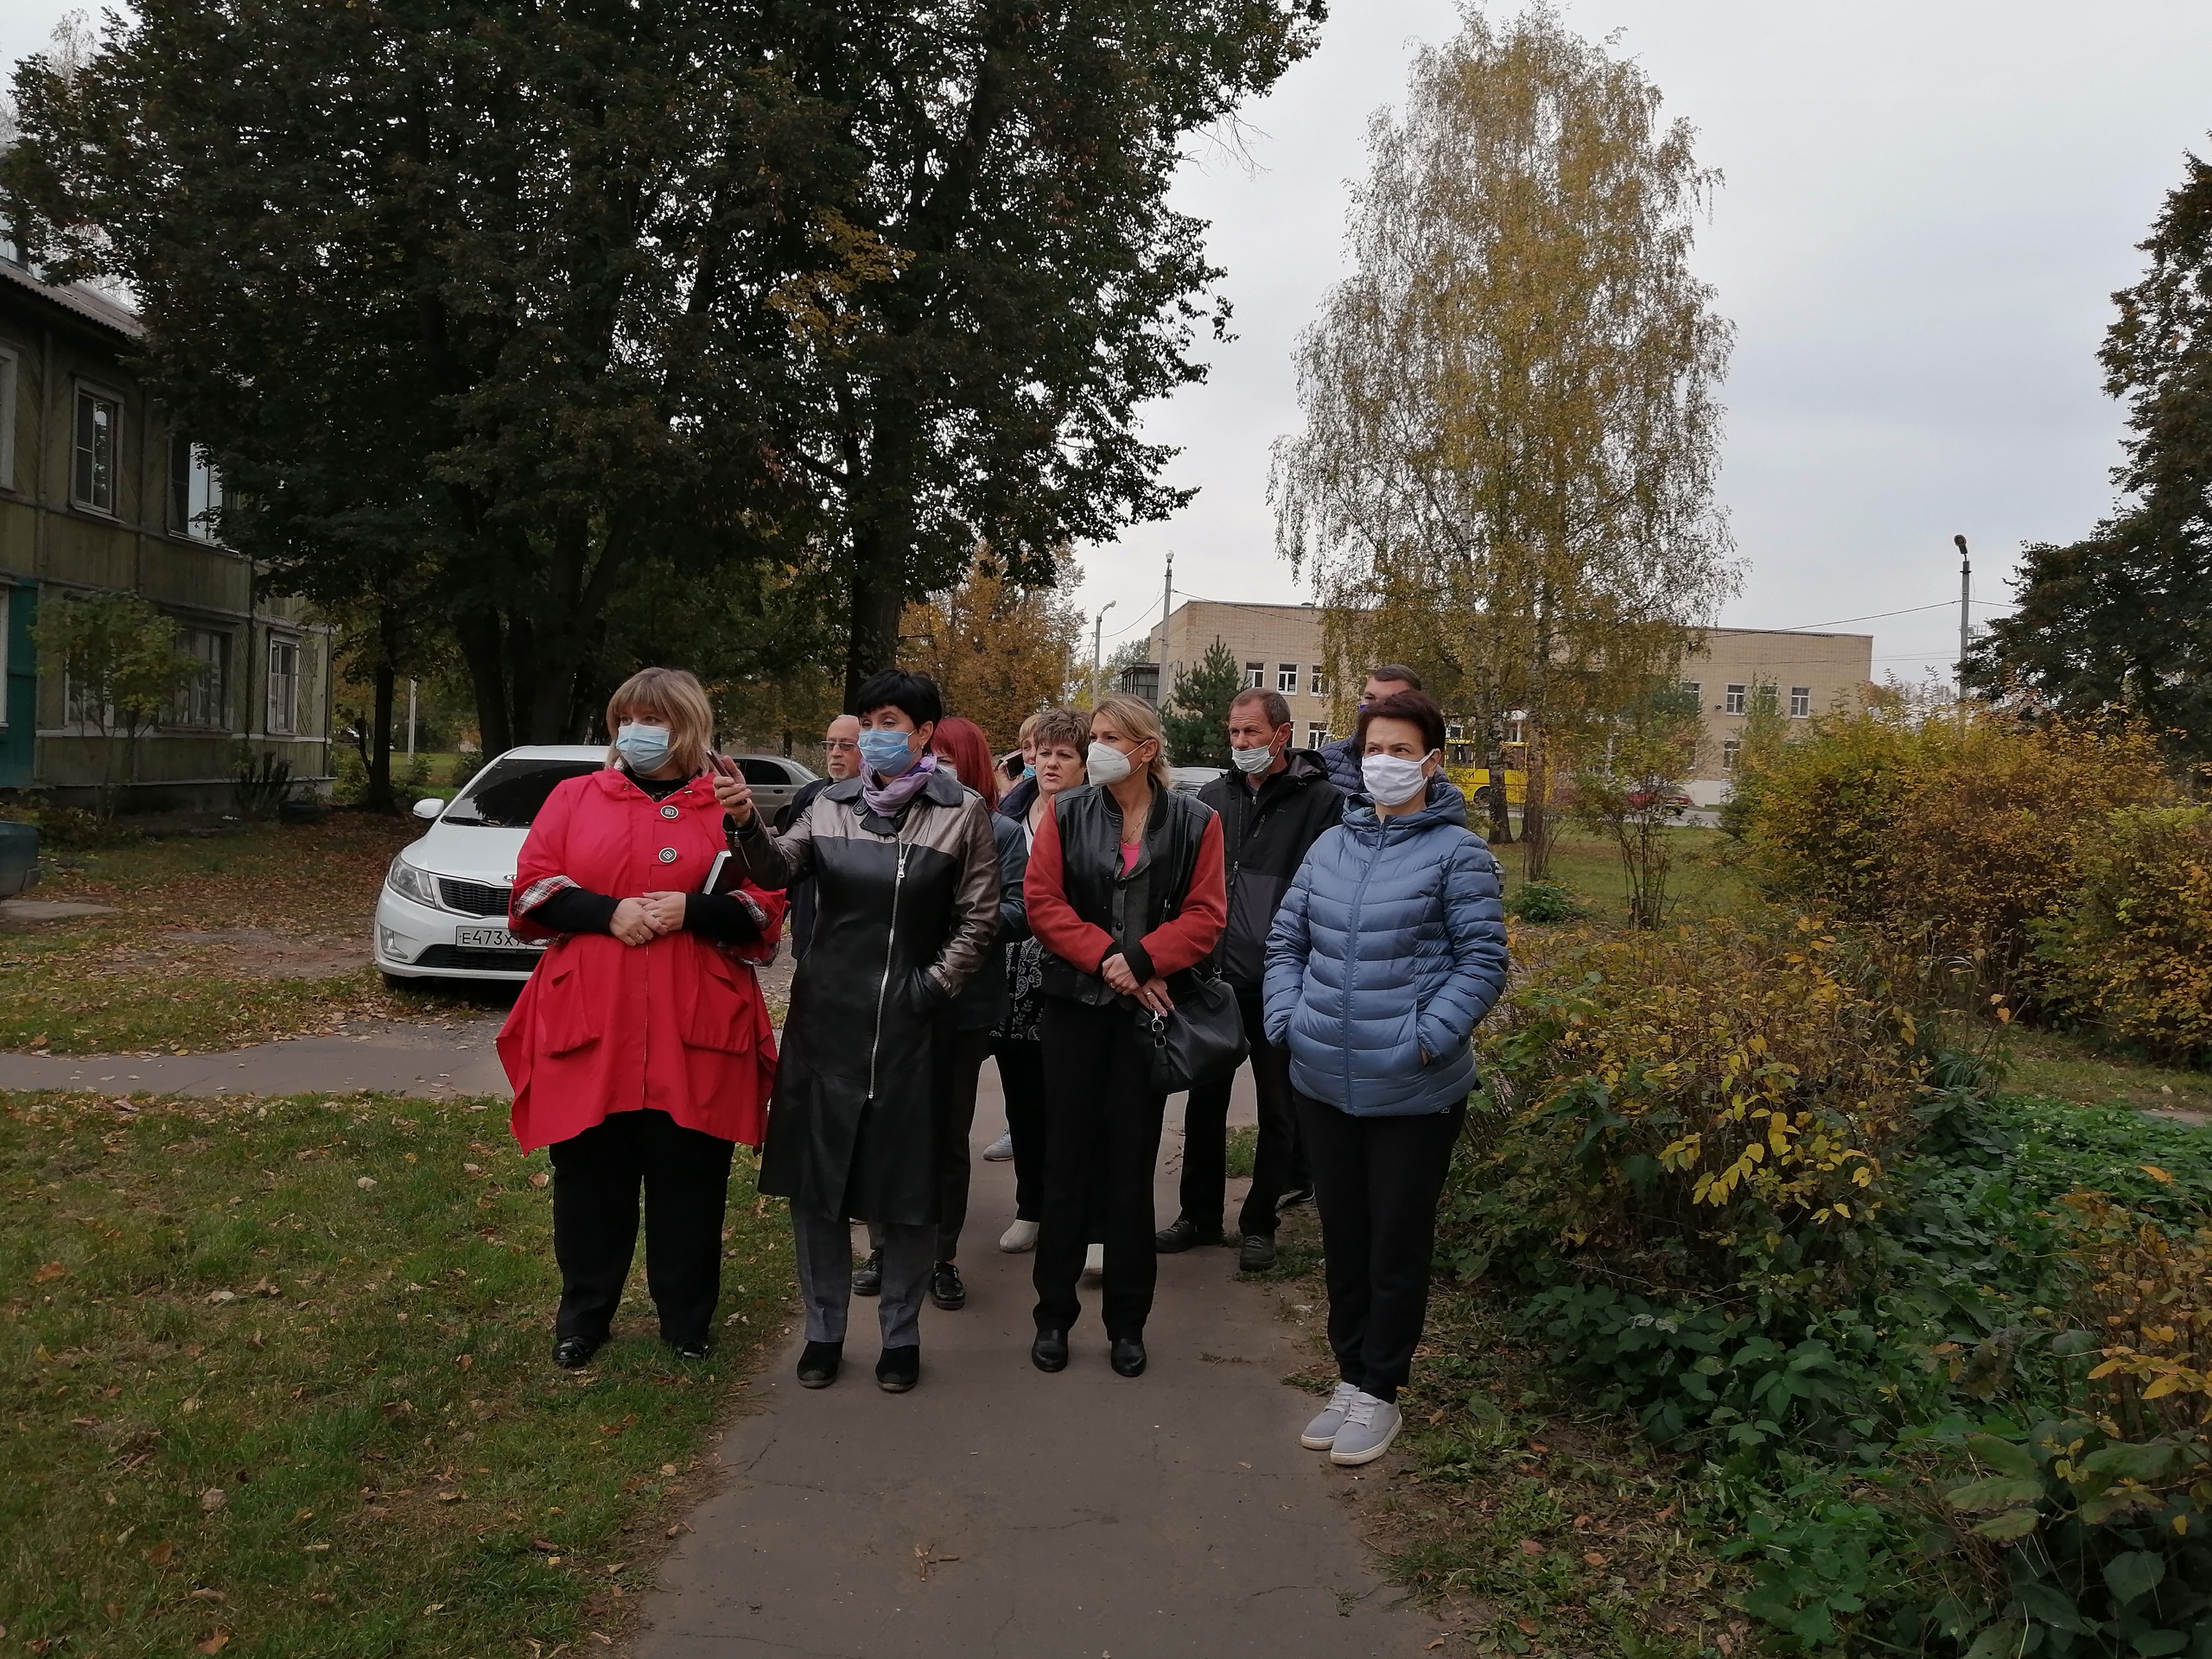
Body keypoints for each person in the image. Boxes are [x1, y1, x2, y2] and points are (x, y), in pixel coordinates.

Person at [715, 670, 1001, 1394]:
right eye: (869, 720)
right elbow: (777, 869)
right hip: (826, 1026)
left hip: (910, 1032)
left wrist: (929, 987)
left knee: (903, 1196)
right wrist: (747, 820)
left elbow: (980, 918)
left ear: (926, 732)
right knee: (819, 1192)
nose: (876, 734)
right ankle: (823, 1331)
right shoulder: (829, 804)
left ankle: (899, 1335)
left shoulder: (960, 813)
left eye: (891, 721)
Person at [499, 667, 788, 1370]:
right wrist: (607, 911)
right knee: (590, 1176)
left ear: (686, 725)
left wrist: (695, 909)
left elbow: (767, 900)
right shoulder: (575, 796)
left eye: (652, 718)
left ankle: (686, 1320)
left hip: (695, 1018)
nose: (636, 731)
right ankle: (583, 1316)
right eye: (626, 716)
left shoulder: (726, 808)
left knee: (689, 1176)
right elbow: (534, 885)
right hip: (593, 1013)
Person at [1264, 690, 1509, 1465]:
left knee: (1395, 1243)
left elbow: (1483, 961)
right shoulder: (1331, 846)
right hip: (1324, 1081)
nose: (1386, 764)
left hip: (1413, 1091)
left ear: (1433, 763)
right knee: (1345, 1236)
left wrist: (1424, 1042)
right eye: (1376, 749)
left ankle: (1381, 1390)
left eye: (1403, 751)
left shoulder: (1457, 854)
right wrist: (1287, 1023)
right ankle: (1349, 1376)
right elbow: (1285, 945)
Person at [1024, 694, 1225, 1379]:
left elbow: (1206, 914)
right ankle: (1053, 1316)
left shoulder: (1197, 821)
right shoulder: (1067, 811)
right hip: (1074, 1010)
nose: (1097, 747)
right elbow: (1043, 901)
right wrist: (1108, 958)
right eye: (1094, 737)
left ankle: (1127, 1323)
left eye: (1111, 737)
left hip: (1147, 1017)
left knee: (1131, 1169)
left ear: (1145, 749)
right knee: (1065, 1165)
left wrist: (1141, 960)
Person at [849, 715, 1027, 1313]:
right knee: (883, 1126)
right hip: (887, 998)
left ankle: (942, 1257)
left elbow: (1019, 908)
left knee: (947, 1134)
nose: (931, 762)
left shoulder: (997, 829)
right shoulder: (882, 818)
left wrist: (958, 926)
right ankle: (882, 1248)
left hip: (960, 1002)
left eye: (945, 754)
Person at [1160, 687, 1341, 1271]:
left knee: (1277, 1107)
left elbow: (1328, 893)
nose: (1240, 744)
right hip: (1212, 978)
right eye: (1234, 733)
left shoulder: (1323, 804)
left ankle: (1260, 1220)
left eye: (1252, 734)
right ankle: (1199, 1216)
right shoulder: (1212, 798)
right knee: (1203, 1101)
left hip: (1281, 980)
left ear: (1282, 735)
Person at [988, 705, 1090, 1254]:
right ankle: (1031, 1206)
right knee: (1023, 1102)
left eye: (1063, 754)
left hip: (1073, 976)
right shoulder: (1011, 814)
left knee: (1076, 1107)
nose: (1049, 763)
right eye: (1042, 752)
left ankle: (1085, 1218)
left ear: (1085, 762)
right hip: (1013, 976)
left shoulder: (1096, 816)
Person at [780, 714, 861, 960]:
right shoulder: (809, 796)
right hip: (808, 933)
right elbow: (787, 865)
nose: (835, 753)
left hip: (855, 938)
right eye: (830, 744)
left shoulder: (881, 802)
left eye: (846, 745)